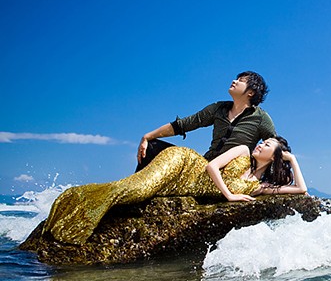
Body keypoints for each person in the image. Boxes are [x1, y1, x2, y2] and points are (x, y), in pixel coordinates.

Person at [42, 137, 307, 245]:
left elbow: (300, 189)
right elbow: (211, 167)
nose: (262, 143)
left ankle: (72, 218)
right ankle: (72, 202)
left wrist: (292, 161)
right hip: (183, 163)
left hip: (184, 187)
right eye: (264, 140)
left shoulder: (259, 187)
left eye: (269, 144)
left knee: (141, 194)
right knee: (137, 189)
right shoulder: (242, 151)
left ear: (276, 156)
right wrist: (229, 195)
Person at [136, 71, 276, 171]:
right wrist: (147, 136)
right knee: (152, 146)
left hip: (230, 172)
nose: (234, 81)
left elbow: (275, 149)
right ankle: (137, 200)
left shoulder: (261, 118)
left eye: (241, 80)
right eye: (236, 78)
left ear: (251, 92)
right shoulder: (218, 108)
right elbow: (184, 124)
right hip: (205, 165)